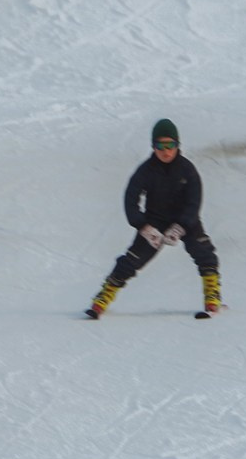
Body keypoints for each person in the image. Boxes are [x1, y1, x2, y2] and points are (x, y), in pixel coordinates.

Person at [86, 120, 223, 319]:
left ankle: (212, 295)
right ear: (153, 147)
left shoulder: (187, 169)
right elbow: (130, 199)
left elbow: (194, 201)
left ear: (178, 146)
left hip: (184, 220)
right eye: (160, 146)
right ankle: (104, 297)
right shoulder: (146, 170)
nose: (165, 151)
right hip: (155, 221)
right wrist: (143, 225)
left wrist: (182, 226)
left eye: (170, 146)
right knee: (132, 260)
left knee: (204, 252)